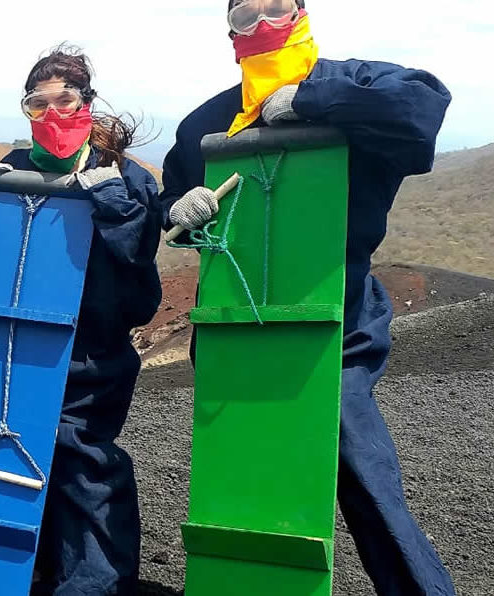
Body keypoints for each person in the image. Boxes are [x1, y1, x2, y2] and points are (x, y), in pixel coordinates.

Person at [161, 1, 454, 594]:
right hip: (236, 325)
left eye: (276, 6)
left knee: (359, 467)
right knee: (247, 471)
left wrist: (309, 103)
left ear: (301, 12)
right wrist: (180, 212)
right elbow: (173, 208)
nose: (261, 21)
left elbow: (422, 110)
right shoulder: (205, 123)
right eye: (246, 12)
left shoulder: (357, 84)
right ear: (229, 30)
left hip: (338, 318)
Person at [0, 47, 163, 595]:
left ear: (87, 102)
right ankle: (31, 567)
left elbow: (140, 277)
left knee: (83, 456)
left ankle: (96, 582)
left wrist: (119, 207)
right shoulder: (10, 173)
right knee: (22, 446)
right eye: (36, 104)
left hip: (95, 349)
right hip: (18, 341)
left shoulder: (127, 179)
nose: (52, 113)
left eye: (65, 100)